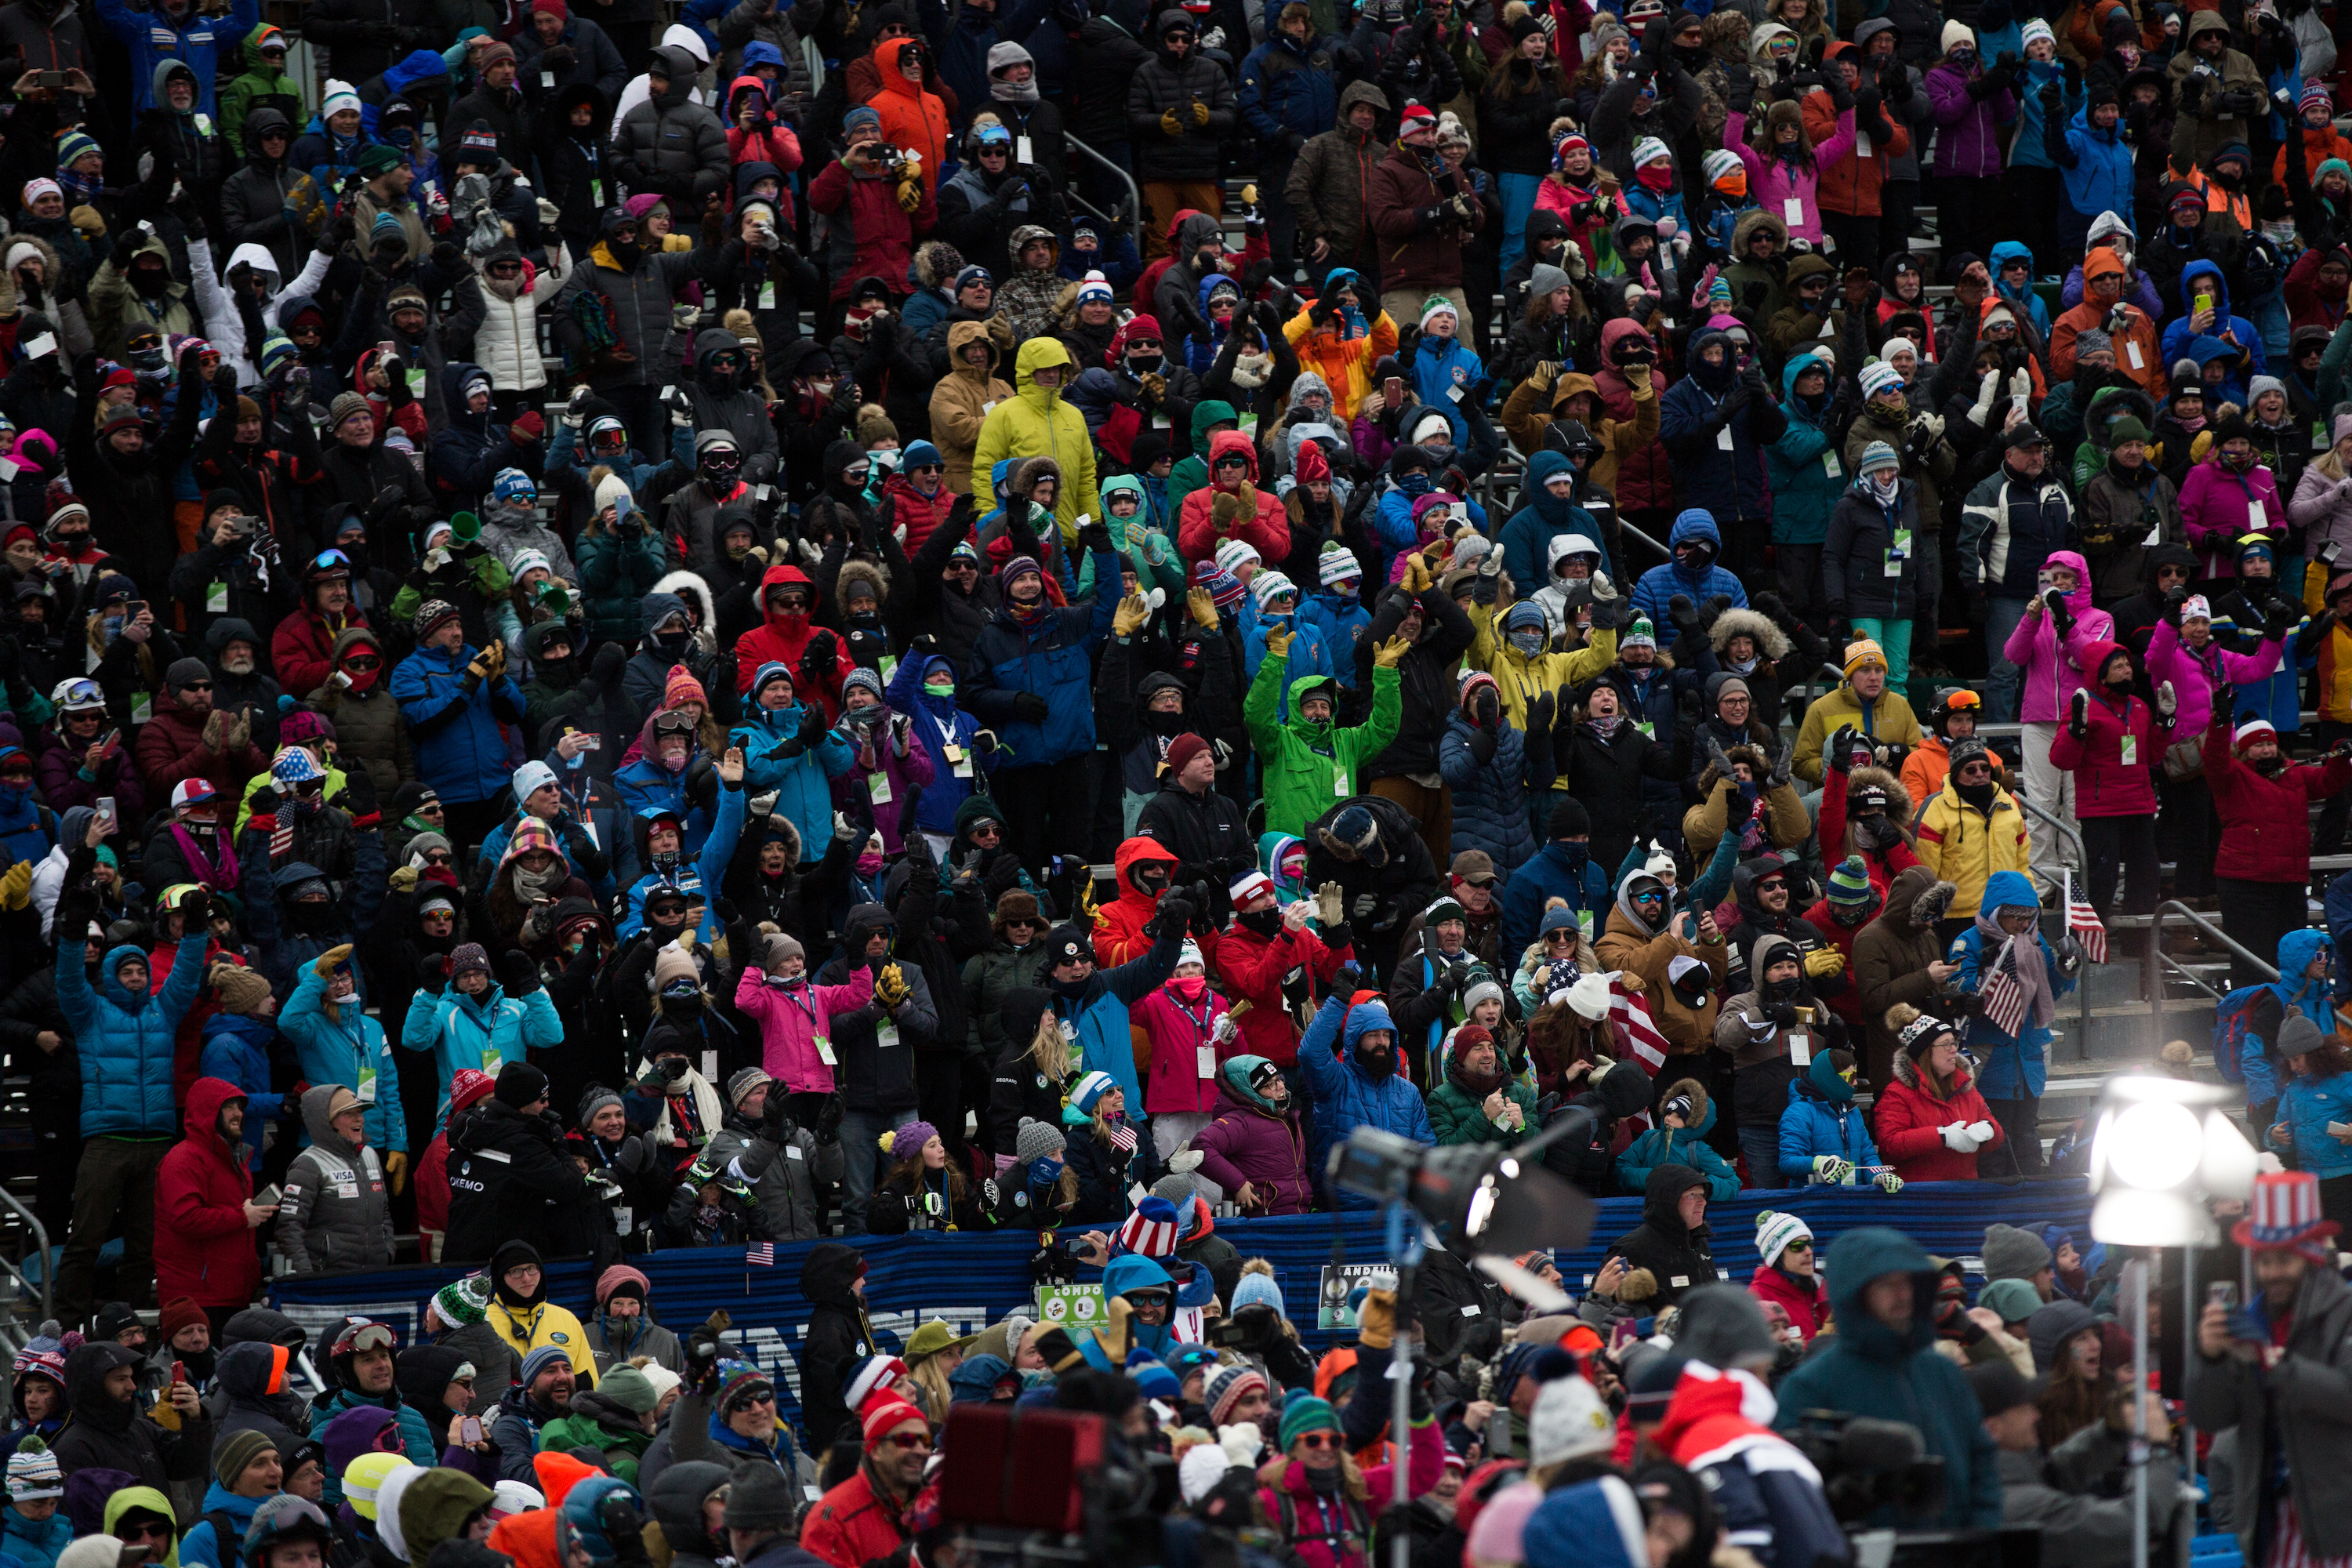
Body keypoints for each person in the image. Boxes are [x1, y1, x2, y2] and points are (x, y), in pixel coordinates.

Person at [1773, 1224, 2004, 1529]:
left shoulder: (1942, 1371)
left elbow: (1982, 1460)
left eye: (1908, 1282)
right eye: (1886, 1284)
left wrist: (1983, 1533)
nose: (1903, 1294)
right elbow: (1793, 1498)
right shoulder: (1809, 1387)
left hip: (1960, 1551)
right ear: (1854, 1293)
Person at [2190, 1169, 2352, 1568]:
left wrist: (2273, 1363)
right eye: (2264, 1260)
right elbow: (2210, 1416)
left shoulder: (2345, 1311)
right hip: (2269, 1524)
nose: (2271, 1272)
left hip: (2339, 1526)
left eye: (2284, 1259)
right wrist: (2210, 1359)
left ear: (2311, 1257)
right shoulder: (2252, 1319)